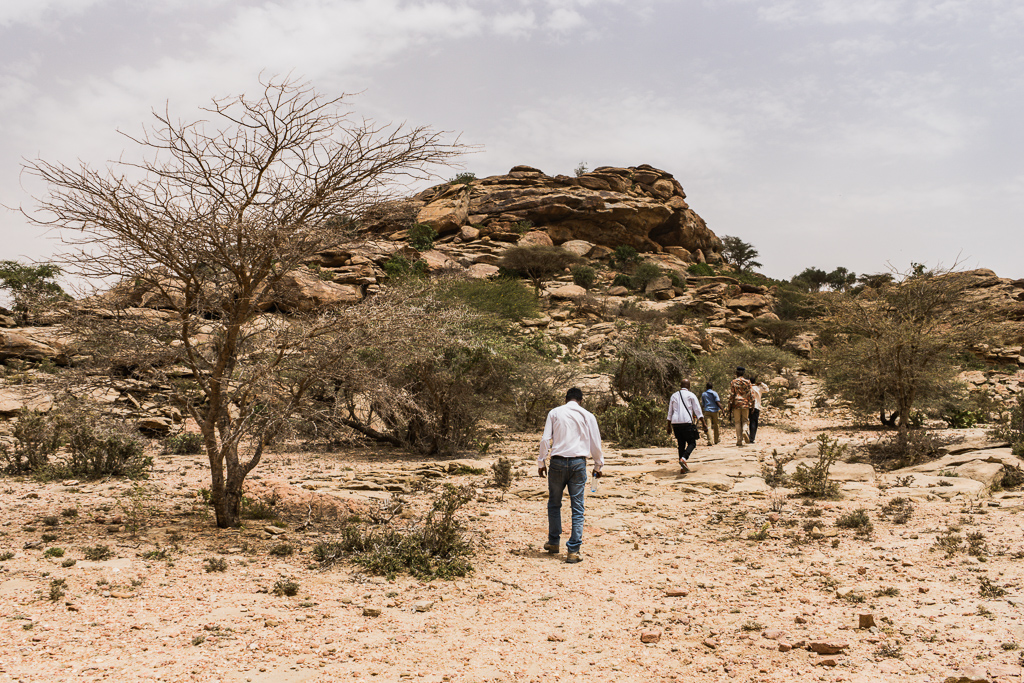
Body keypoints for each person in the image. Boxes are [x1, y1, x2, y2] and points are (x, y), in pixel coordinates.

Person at [538, 387, 604, 564]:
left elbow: (545, 440)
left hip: (558, 462)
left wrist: (541, 461)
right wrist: (598, 465)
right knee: (577, 506)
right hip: (578, 463)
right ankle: (573, 550)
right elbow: (595, 443)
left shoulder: (554, 412)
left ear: (566, 398)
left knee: (554, 503)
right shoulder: (588, 415)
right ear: (581, 400)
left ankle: (553, 542)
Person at [666, 379, 705, 472]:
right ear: (689, 386)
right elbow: (698, 410)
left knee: (681, 444)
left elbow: (670, 411)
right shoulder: (691, 395)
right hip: (686, 422)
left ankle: (682, 467)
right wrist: (704, 423)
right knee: (692, 442)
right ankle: (684, 458)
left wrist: (668, 425)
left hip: (675, 423)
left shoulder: (674, 395)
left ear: (680, 385)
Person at [728, 366, 754, 448]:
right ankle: (744, 430)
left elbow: (732, 394)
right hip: (745, 403)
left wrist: (729, 405)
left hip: (736, 404)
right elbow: (751, 394)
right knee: (745, 420)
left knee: (737, 422)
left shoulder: (733, 382)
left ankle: (739, 440)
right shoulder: (748, 382)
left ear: (736, 373)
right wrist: (752, 404)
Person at [749, 376, 768, 444]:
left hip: (748, 406)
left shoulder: (748, 388)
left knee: (747, 421)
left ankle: (746, 434)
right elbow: (767, 390)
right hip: (756, 406)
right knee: (754, 422)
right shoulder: (758, 388)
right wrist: (762, 383)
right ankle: (752, 438)